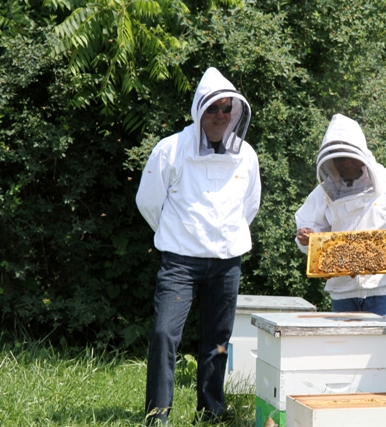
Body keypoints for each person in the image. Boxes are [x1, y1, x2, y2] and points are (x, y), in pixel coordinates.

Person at [136, 67, 261, 426]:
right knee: (163, 334)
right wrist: (178, 235)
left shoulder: (246, 155)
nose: (220, 116)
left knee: (218, 340)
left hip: (227, 262)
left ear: (236, 112)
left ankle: (211, 411)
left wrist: (223, 237)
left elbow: (249, 206)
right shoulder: (170, 149)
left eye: (226, 109)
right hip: (179, 263)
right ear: (198, 110)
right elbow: (148, 202)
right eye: (213, 109)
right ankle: (157, 415)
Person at [295, 113, 386, 399]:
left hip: (383, 291)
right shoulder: (323, 193)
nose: (346, 165)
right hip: (343, 292)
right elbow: (308, 233)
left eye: (350, 159)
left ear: (362, 155)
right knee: (347, 364)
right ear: (331, 162)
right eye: (340, 161)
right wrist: (305, 238)